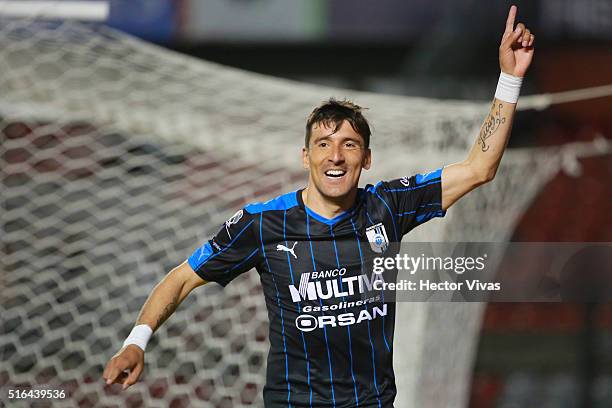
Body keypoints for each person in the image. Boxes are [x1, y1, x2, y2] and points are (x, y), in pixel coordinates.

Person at [103, 5, 534, 407]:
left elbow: (479, 168)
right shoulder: (262, 224)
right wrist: (136, 341)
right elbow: (180, 279)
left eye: (349, 145)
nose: (336, 156)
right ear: (305, 157)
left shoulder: (387, 206)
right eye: (323, 145)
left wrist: (509, 80)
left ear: (366, 159)